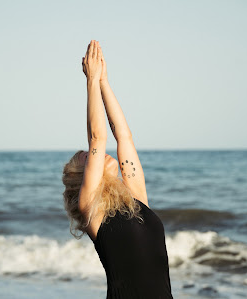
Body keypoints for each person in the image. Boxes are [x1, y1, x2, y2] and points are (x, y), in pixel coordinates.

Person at [62, 40, 173, 299]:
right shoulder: (91, 208)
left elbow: (124, 137)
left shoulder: (135, 201)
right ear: (84, 176)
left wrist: (104, 82)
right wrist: (90, 81)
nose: (96, 154)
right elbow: (98, 138)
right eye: (87, 158)